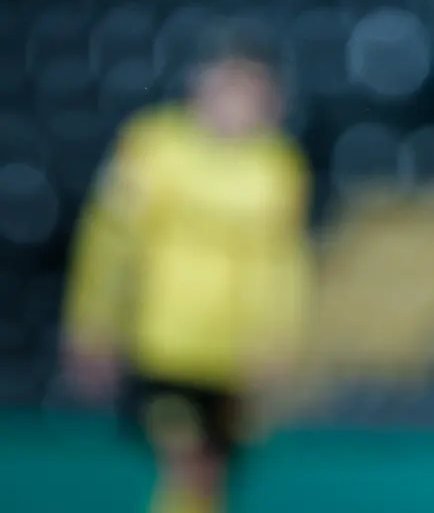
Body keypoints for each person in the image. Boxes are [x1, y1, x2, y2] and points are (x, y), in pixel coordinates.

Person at [61, 26, 315, 513]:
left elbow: (286, 265)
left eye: (250, 92)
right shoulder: (152, 147)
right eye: (228, 87)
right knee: (187, 460)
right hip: (159, 345)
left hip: (231, 353)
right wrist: (92, 321)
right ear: (201, 86)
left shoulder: (278, 167)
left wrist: (282, 339)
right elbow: (108, 243)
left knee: (211, 474)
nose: (237, 103)